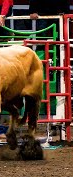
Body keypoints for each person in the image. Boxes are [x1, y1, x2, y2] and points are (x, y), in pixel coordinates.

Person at [29, 0, 69, 136]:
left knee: (58, 49)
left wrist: (63, 10)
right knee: (42, 46)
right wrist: (32, 11)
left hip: (56, 16)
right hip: (43, 16)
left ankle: (57, 123)